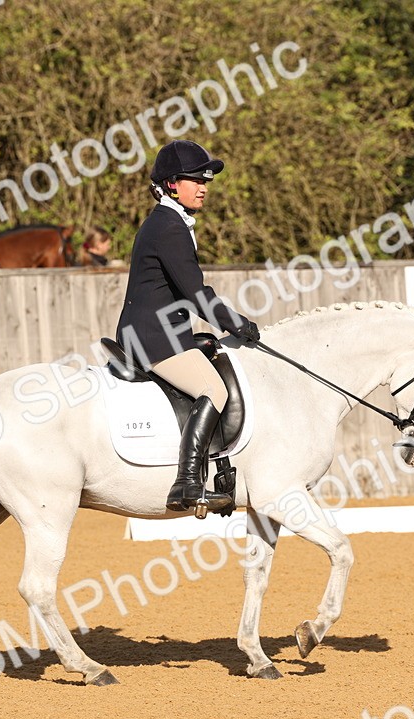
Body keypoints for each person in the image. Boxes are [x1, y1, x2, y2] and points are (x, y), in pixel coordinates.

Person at [115, 140, 260, 514]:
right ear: (170, 184)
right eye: (195, 180)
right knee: (213, 388)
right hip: (153, 338)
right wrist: (238, 324)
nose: (203, 187)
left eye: (205, 181)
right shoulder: (169, 227)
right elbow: (196, 294)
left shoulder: (168, 222)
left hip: (160, 331)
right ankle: (188, 483)